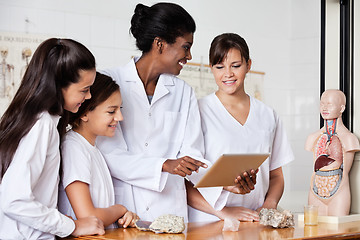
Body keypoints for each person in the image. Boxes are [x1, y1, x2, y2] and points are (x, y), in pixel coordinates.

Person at [96, 3, 253, 222]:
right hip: (125, 210)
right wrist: (163, 165)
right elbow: (108, 154)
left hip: (171, 209)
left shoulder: (183, 92)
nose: (188, 56)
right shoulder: (110, 82)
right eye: (185, 46)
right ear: (160, 44)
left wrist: (223, 183)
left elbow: (193, 154)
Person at [0, 38, 105, 239]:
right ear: (57, 86)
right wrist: (71, 226)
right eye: (84, 90)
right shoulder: (42, 124)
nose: (89, 96)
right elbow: (14, 200)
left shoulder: (35, 118)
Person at [189, 33, 294, 222]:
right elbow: (183, 182)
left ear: (248, 65)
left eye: (236, 66)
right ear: (211, 68)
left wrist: (268, 207)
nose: (228, 74)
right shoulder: (197, 112)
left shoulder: (268, 115)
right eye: (219, 67)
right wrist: (223, 212)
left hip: (255, 220)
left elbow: (276, 176)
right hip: (210, 222)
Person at [58, 72, 139, 228]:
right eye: (111, 111)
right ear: (85, 113)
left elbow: (99, 213)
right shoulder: (73, 147)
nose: (120, 118)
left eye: (119, 109)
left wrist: (124, 217)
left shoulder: (92, 149)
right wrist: (120, 209)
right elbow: (88, 217)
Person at [305, 89, 360, 216]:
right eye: (322, 103)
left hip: (339, 191)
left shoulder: (349, 138)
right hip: (315, 190)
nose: (324, 107)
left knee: (337, 233)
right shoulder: (313, 137)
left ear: (342, 108)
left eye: (329, 104)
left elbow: (345, 172)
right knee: (315, 232)